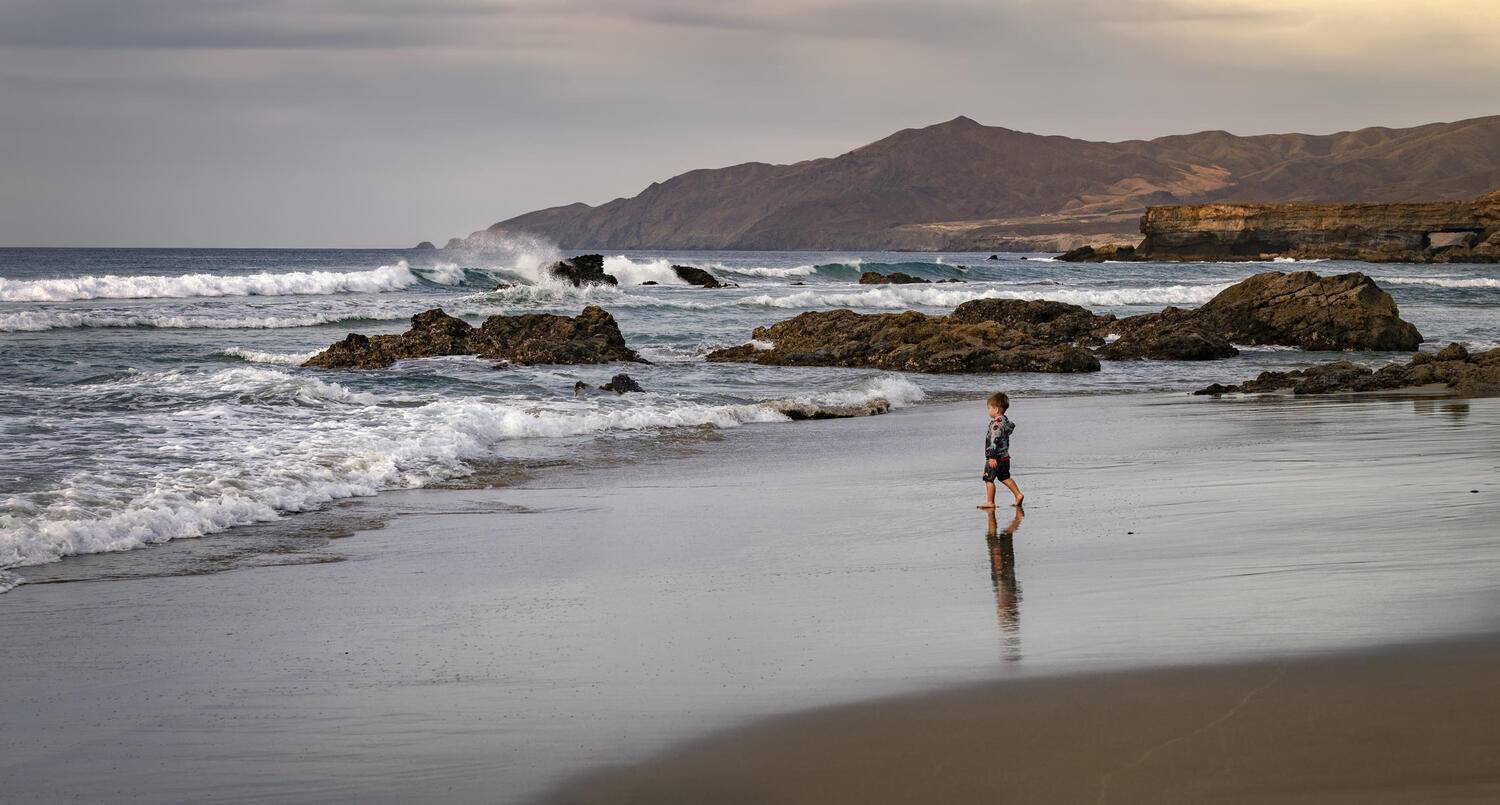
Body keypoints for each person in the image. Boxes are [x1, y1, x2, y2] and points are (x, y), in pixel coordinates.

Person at [978, 391, 1024, 510]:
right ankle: (1018, 494)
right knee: (1005, 477)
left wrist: (992, 456)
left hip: (995, 457)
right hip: (1005, 457)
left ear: (996, 409)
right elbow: (1009, 429)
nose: (988, 411)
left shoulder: (996, 425)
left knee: (988, 479)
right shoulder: (1005, 421)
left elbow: (995, 440)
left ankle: (990, 502)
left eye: (989, 408)